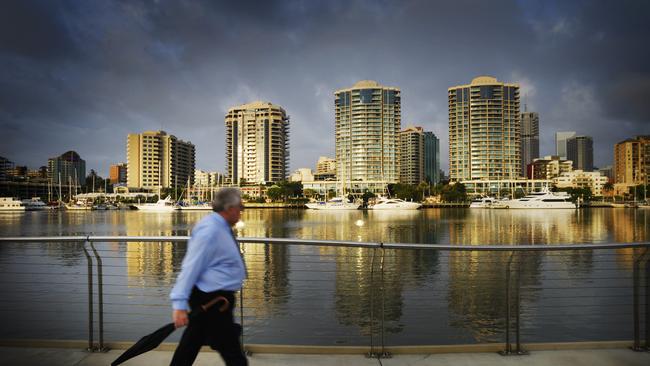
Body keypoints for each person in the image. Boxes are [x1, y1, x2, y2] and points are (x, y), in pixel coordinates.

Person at [169, 188, 248, 366]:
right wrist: (179, 304)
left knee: (190, 344)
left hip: (214, 298)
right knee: (233, 353)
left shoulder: (221, 227)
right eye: (239, 207)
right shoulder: (210, 231)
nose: (241, 211)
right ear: (229, 208)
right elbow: (190, 267)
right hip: (213, 300)